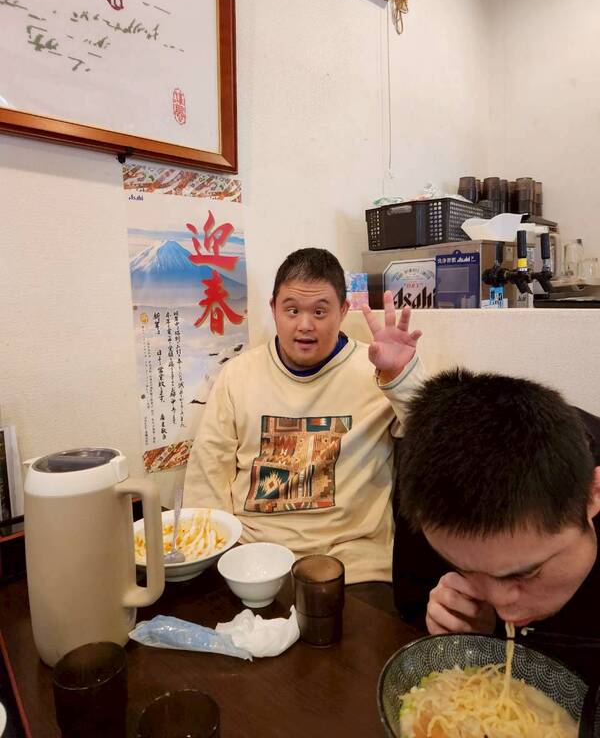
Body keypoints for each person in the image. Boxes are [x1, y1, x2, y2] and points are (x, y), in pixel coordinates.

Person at [184, 247, 424, 583]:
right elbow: (208, 475)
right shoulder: (237, 375)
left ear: (343, 311)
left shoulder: (375, 371)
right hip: (252, 560)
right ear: (273, 309)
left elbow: (436, 442)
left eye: (320, 311)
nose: (305, 325)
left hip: (355, 567)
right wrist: (214, 560)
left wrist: (401, 376)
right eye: (292, 310)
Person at [393, 367, 600, 682]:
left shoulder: (565, 485)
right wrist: (466, 629)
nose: (504, 608)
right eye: (464, 569)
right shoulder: (430, 494)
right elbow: (412, 606)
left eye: (525, 574)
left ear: (593, 494)